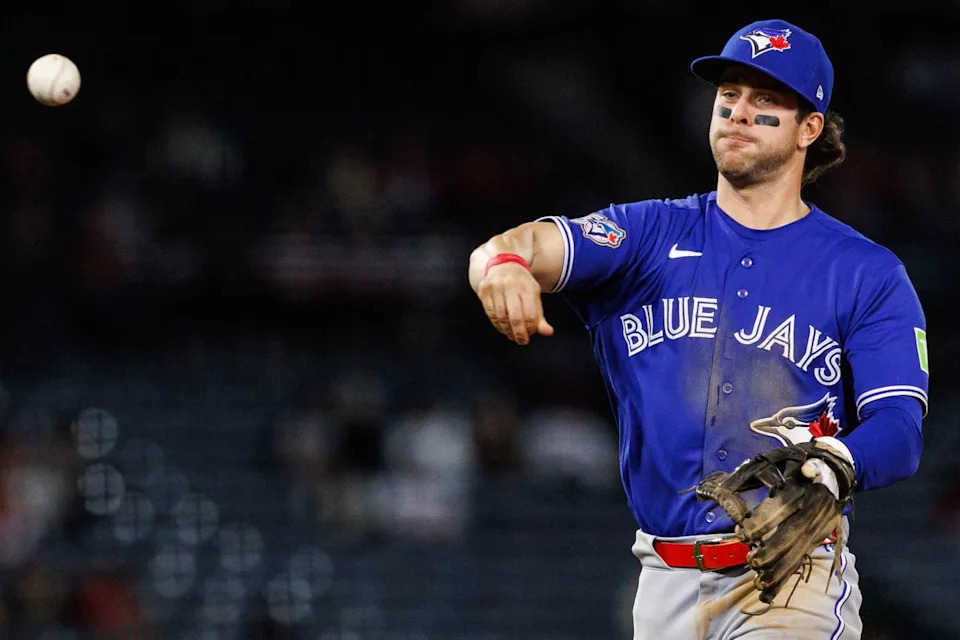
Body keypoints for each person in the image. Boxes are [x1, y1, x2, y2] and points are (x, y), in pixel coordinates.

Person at [467, 18, 929, 640]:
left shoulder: (865, 272)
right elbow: (523, 245)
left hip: (792, 579)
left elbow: (899, 430)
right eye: (728, 96)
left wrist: (834, 463)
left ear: (809, 129)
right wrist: (500, 262)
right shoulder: (647, 235)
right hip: (661, 580)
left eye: (765, 100)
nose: (738, 112)